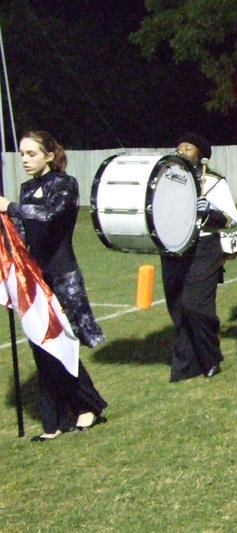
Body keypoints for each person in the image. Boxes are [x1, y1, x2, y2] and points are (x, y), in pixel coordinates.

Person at [0, 130, 107, 441]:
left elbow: (46, 216)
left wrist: (10, 208)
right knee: (41, 346)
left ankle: (88, 407)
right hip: (34, 277)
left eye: (31, 154)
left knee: (61, 345)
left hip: (62, 276)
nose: (25, 160)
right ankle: (55, 421)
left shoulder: (64, 184)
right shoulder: (25, 188)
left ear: (49, 155)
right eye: (21, 154)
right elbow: (23, 231)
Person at [162, 132, 237, 382]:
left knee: (196, 306)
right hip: (174, 248)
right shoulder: (166, 179)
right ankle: (186, 363)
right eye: (179, 148)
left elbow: (230, 219)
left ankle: (210, 357)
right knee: (177, 307)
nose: (182, 152)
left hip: (204, 248)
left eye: (188, 148)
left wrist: (210, 211)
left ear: (200, 155)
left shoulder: (214, 181)